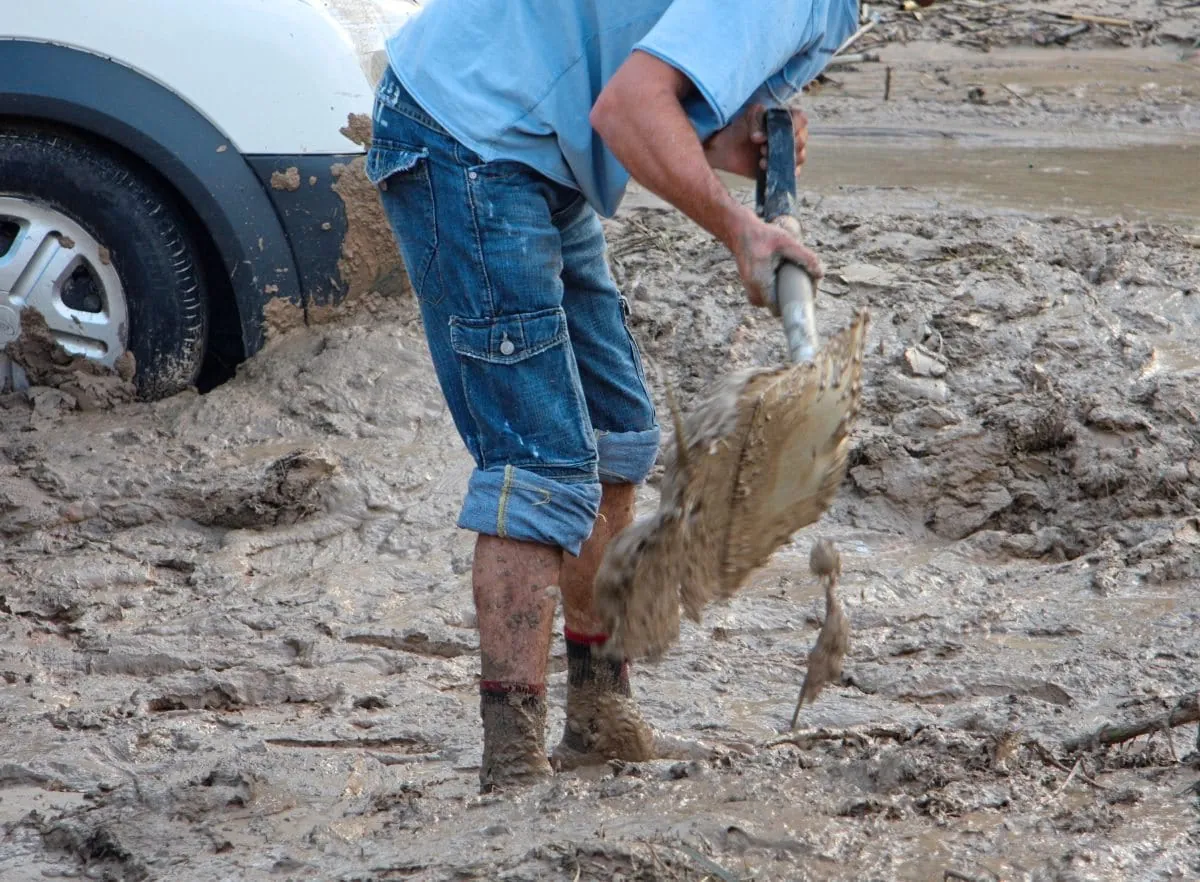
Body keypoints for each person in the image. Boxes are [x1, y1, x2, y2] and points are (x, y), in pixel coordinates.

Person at [367, 0, 859, 792]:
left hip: (530, 136)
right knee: (542, 464)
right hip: (468, 135)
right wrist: (742, 232)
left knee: (615, 438)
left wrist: (718, 133)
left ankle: (599, 713)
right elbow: (628, 108)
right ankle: (515, 762)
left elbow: (643, 77)